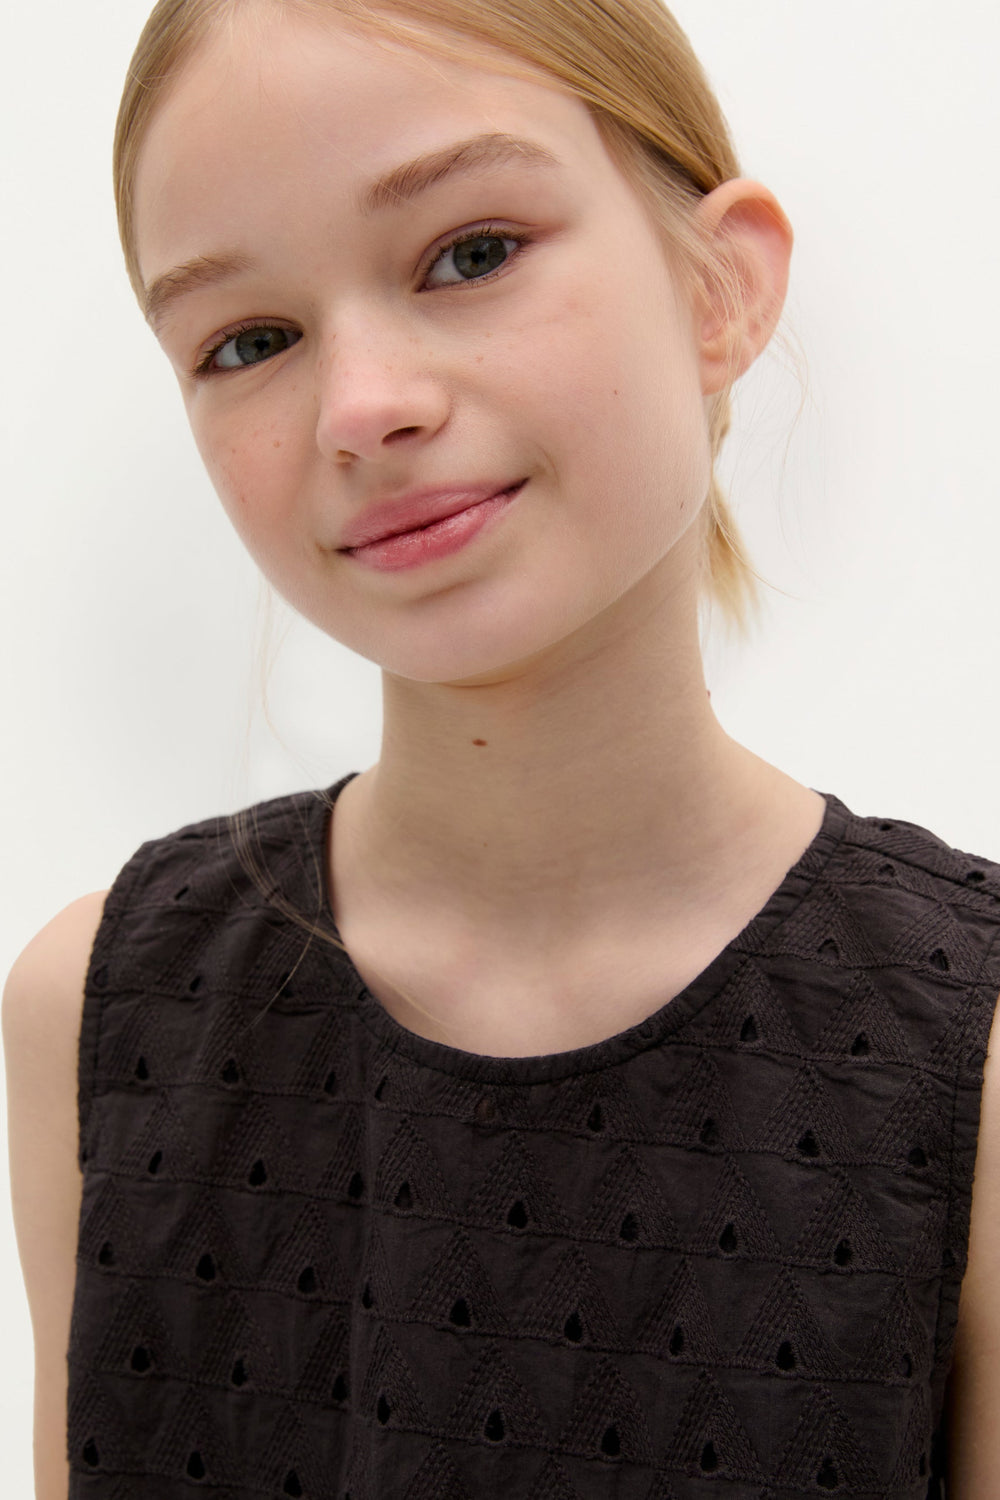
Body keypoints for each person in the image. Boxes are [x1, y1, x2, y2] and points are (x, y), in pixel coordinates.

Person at [4, 0, 999, 1495]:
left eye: (471, 254)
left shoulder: (972, 1059)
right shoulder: (92, 1008)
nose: (363, 410)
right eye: (249, 341)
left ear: (722, 287)